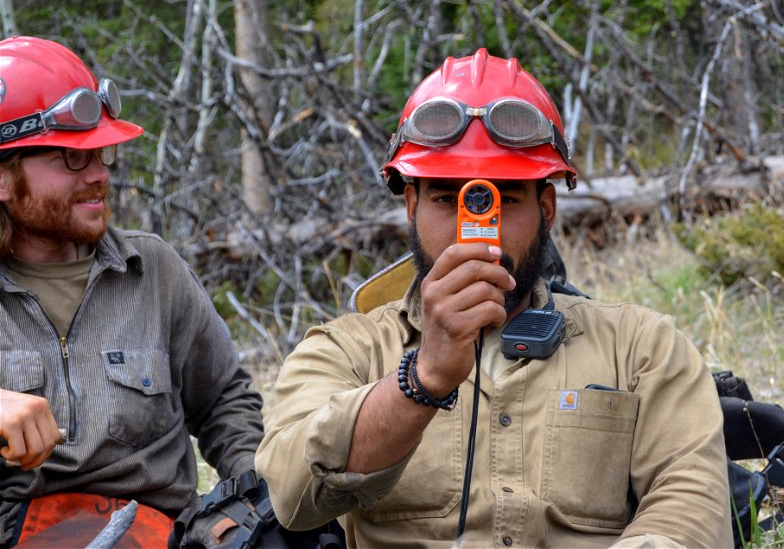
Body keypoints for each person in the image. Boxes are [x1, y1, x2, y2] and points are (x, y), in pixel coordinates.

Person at [256, 48, 733, 548]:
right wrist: (423, 379)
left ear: (546, 207)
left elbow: (690, 505)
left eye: (503, 200)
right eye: (448, 200)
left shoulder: (640, 348)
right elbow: (291, 496)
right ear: (411, 205)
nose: (476, 234)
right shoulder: (344, 352)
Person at [0, 36, 264, 548]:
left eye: (100, 153)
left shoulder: (154, 269)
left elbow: (226, 401)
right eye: (69, 159)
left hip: (161, 531)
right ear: (4, 179)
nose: (99, 174)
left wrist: (254, 497)